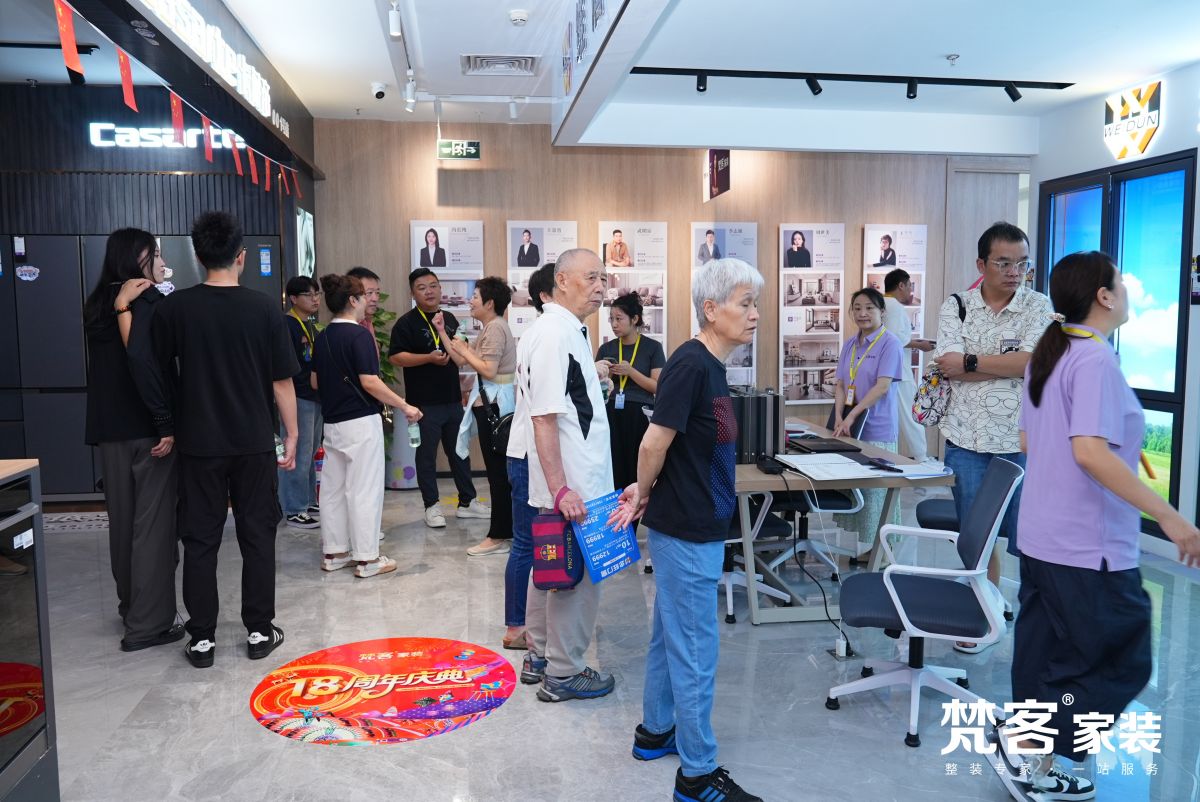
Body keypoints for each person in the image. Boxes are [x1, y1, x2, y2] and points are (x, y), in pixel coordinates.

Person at [997, 251, 1200, 801]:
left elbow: (1029, 440)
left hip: (1041, 534)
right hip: (1087, 545)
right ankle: (1026, 745)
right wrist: (1169, 515)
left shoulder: (1051, 353)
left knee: (1046, 655)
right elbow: (1088, 452)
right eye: (1121, 284)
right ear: (1104, 296)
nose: (1127, 291)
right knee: (1120, 657)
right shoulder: (1094, 359)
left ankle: (1030, 759)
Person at [611, 258, 763, 802]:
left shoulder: (710, 365)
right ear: (711, 309)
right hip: (686, 528)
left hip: (694, 519)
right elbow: (654, 442)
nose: (755, 314)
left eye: (755, 303)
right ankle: (697, 774)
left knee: (669, 633)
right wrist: (642, 491)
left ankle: (656, 731)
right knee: (696, 648)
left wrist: (651, 490)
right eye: (745, 303)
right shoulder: (691, 365)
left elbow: (680, 446)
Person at [154, 211, 298, 668]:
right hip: (254, 441)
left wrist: (167, 421)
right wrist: (292, 434)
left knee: (199, 539)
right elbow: (281, 382)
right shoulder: (265, 309)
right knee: (258, 535)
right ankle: (259, 631)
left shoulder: (175, 308)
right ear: (241, 256)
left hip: (198, 444)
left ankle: (202, 639)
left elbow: (157, 370)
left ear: (198, 256)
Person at [932, 221, 1052, 652]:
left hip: (1020, 441)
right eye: (1003, 263)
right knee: (976, 535)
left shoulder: (1038, 305)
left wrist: (971, 362)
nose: (1014, 271)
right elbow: (947, 365)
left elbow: (1033, 363)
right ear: (981, 265)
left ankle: (1037, 621)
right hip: (965, 439)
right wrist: (1003, 364)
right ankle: (984, 611)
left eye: (1022, 263)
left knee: (1028, 535)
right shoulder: (957, 305)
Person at [516, 249, 616, 702]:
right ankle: (564, 671)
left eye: (603, 279)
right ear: (561, 281)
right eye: (591, 277)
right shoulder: (554, 334)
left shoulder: (563, 330)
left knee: (551, 567)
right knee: (576, 577)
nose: (600, 287)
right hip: (574, 485)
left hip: (571, 480)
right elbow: (544, 417)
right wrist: (561, 490)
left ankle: (540, 655)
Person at [83, 228, 182, 653]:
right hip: (149, 430)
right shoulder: (146, 299)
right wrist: (165, 420)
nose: (161, 262)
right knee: (154, 528)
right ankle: (149, 624)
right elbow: (144, 363)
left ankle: (131, 606)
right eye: (155, 254)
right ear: (136, 258)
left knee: (123, 524)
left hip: (111, 431)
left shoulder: (98, 301)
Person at [311, 274, 421, 579]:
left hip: (332, 424)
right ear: (352, 300)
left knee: (332, 490)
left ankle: (335, 553)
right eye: (364, 296)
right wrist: (404, 405)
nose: (368, 302)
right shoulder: (358, 336)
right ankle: (367, 558)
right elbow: (370, 381)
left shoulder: (323, 336)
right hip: (360, 422)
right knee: (364, 491)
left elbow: (315, 382)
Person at [387, 268, 487, 528]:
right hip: (423, 404)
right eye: (422, 288)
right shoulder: (406, 323)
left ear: (440, 288)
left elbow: (460, 352)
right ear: (413, 293)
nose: (429, 292)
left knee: (460, 452)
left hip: (452, 400)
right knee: (426, 457)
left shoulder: (449, 318)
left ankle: (467, 502)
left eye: (433, 286)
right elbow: (395, 357)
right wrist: (428, 358)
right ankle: (431, 506)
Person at [442, 277, 517, 557]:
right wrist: (443, 333)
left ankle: (499, 535)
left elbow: (487, 370)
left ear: (489, 303)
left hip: (495, 405)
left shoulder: (495, 328)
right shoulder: (490, 327)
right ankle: (504, 531)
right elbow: (462, 359)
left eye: (475, 296)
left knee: (497, 473)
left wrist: (464, 349)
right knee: (498, 472)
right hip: (490, 402)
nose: (470, 301)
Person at [504, 263, 556, 651]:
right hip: (527, 454)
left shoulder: (546, 333)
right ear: (548, 295)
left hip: (530, 452)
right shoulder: (545, 336)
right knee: (526, 542)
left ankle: (528, 622)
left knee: (532, 541)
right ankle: (516, 626)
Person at [831, 288, 904, 550]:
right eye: (857, 308)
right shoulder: (850, 344)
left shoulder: (890, 343)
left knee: (876, 493)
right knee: (858, 490)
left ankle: (883, 552)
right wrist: (839, 416)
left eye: (869, 308)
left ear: (882, 312)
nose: (863, 313)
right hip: (849, 428)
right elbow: (841, 384)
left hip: (877, 429)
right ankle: (867, 550)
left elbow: (882, 387)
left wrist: (851, 415)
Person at [595, 292, 665, 494]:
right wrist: (604, 374)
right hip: (610, 414)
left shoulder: (652, 347)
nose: (614, 324)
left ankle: (636, 506)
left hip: (640, 415)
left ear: (635, 319)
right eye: (611, 319)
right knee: (613, 467)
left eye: (619, 319)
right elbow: (595, 387)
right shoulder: (606, 348)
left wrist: (631, 372)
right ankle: (615, 510)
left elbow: (658, 387)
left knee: (638, 467)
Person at [280, 276, 322, 530]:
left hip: (314, 394)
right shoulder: (288, 325)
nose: (315, 299)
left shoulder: (312, 325)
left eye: (317, 294)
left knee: (310, 451)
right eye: (309, 295)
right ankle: (294, 508)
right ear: (294, 298)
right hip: (297, 396)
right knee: (298, 452)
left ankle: (307, 501)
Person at [882, 269, 934, 461]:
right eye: (909, 287)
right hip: (899, 371)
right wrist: (919, 345)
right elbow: (895, 339)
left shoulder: (882, 304)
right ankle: (921, 458)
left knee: (891, 415)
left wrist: (916, 342)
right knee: (912, 414)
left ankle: (894, 456)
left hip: (888, 370)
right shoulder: (894, 306)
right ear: (901, 285)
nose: (910, 292)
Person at [346, 266, 382, 348]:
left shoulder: (367, 320)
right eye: (369, 293)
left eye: (377, 292)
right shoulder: (348, 328)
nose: (375, 299)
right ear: (353, 297)